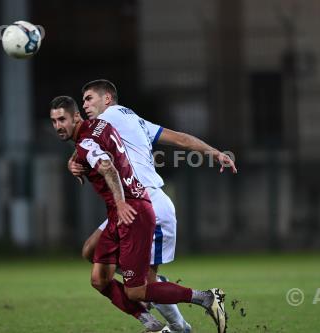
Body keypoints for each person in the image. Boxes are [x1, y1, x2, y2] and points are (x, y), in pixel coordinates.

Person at [68, 79, 237, 332]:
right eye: (82, 100)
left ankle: (197, 306)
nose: (84, 105)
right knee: (92, 252)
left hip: (147, 207)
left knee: (139, 288)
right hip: (130, 205)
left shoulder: (111, 117)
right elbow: (180, 139)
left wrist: (72, 160)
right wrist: (214, 152)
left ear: (108, 99)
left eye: (89, 98)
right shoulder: (133, 120)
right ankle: (171, 309)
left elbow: (84, 138)